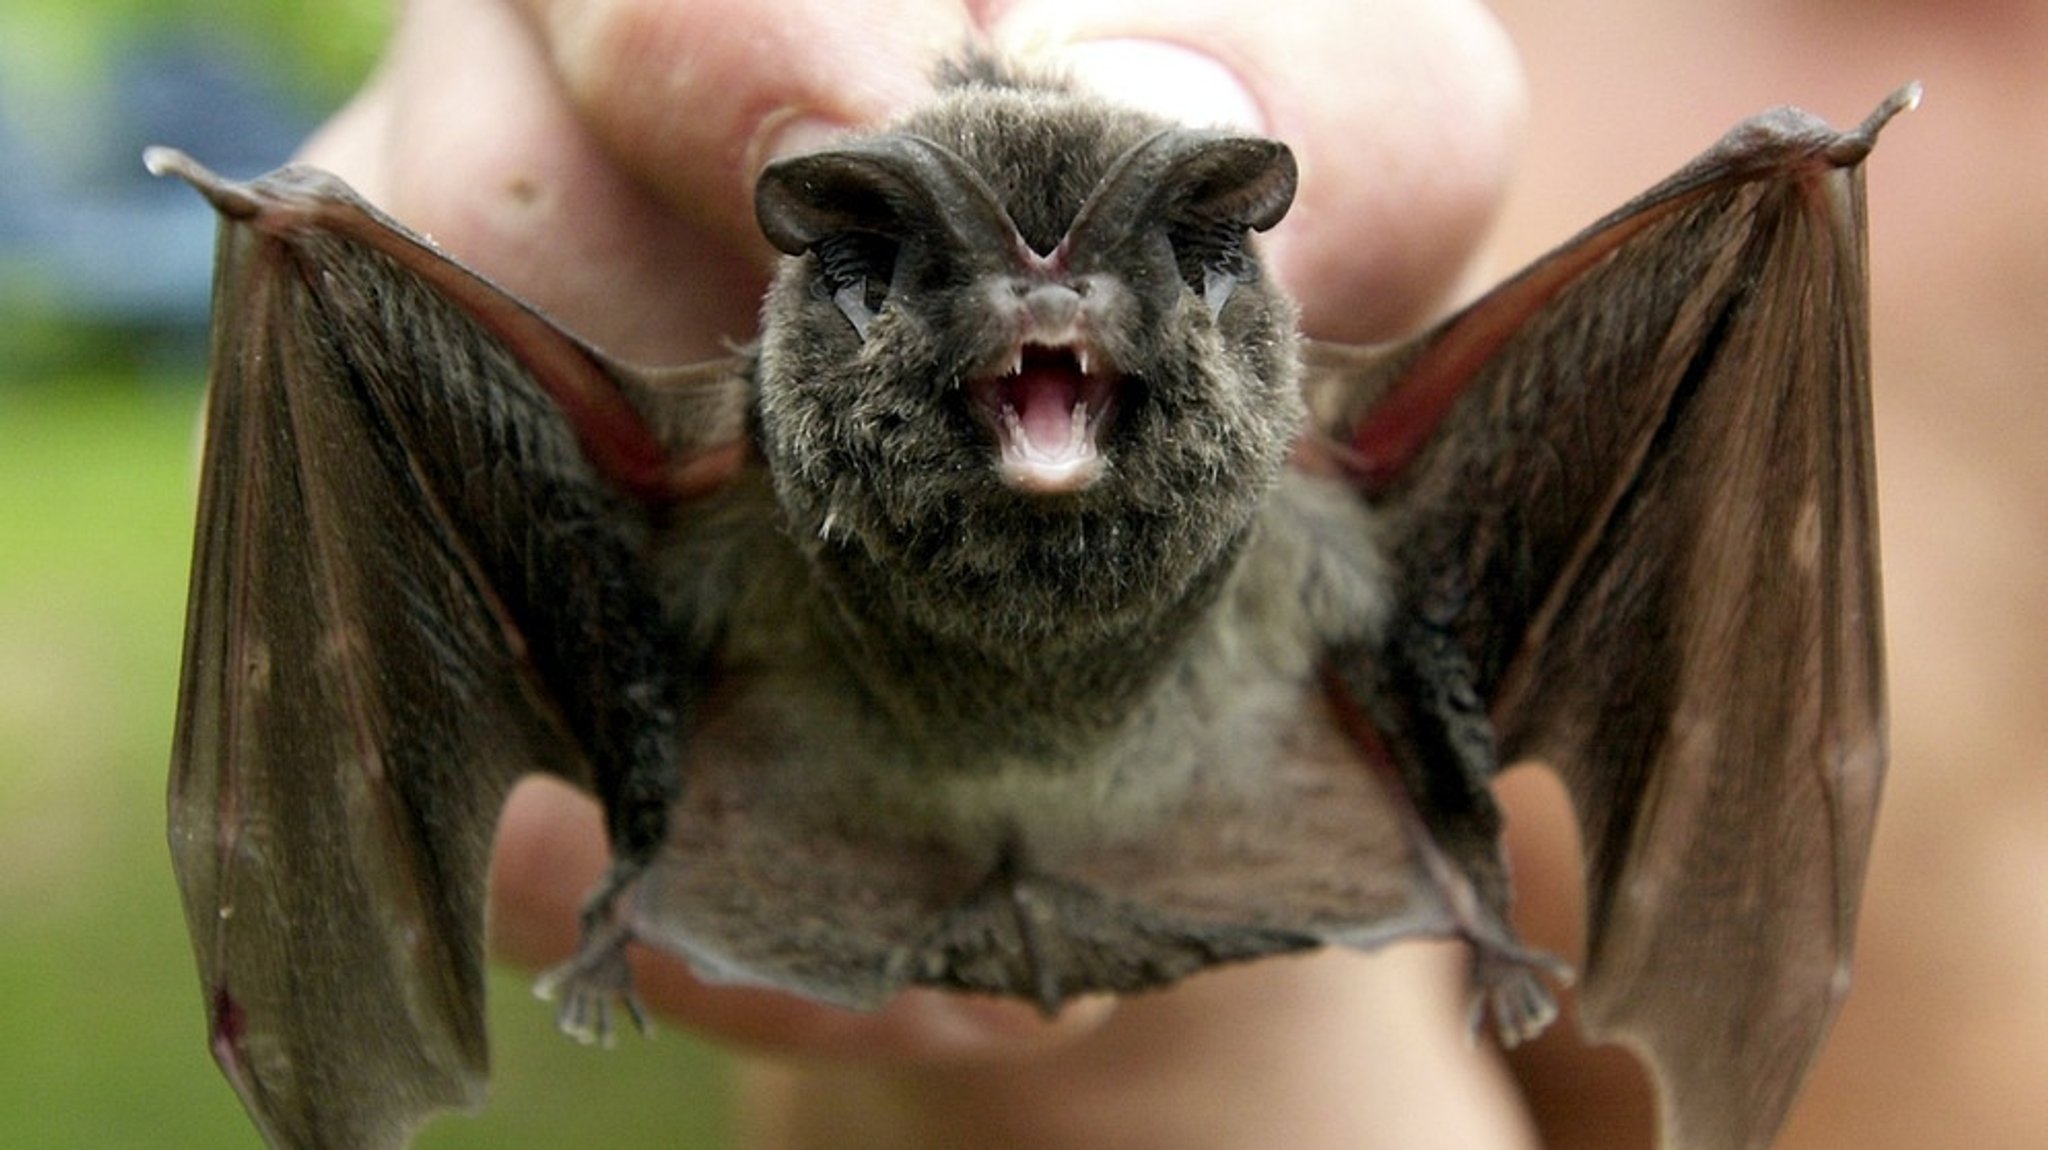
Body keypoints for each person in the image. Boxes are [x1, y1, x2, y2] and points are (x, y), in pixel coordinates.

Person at [301, 1, 1556, 1145]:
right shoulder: (715, 492)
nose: (1042, 314)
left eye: (1108, 277)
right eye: (969, 278)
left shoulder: (1343, 506)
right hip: (879, 760)